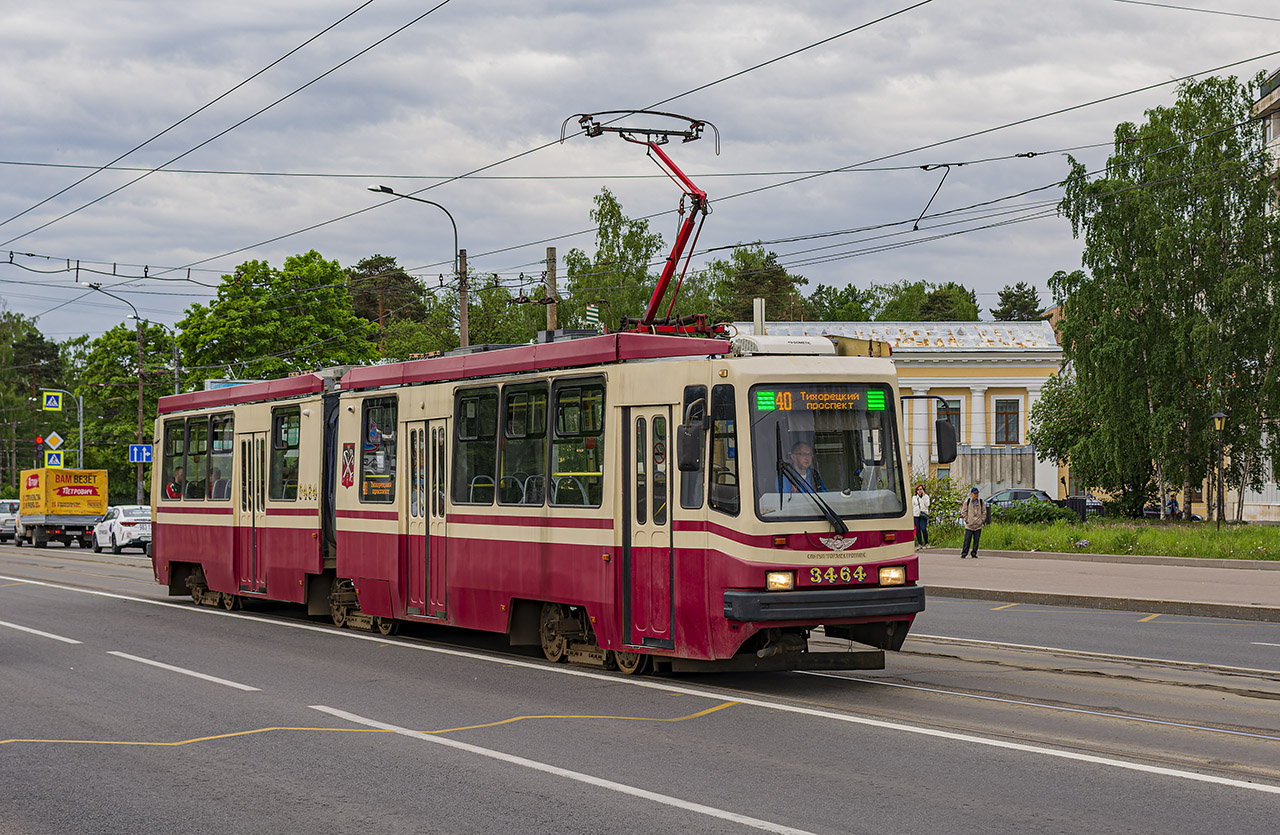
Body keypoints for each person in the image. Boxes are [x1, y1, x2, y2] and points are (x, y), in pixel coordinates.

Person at [959, 486, 986, 559]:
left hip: (978, 525)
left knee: (976, 541)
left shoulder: (981, 502)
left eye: (977, 493)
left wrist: (982, 520)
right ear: (971, 494)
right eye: (974, 494)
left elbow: (984, 512)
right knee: (967, 540)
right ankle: (964, 553)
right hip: (969, 525)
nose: (976, 495)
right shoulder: (967, 502)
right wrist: (966, 520)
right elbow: (963, 512)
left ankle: (974, 553)